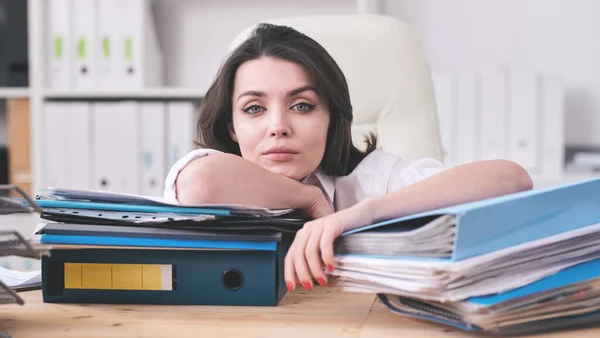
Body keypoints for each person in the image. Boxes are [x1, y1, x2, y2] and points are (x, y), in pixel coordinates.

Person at [163, 22, 533, 294]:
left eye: (302, 106)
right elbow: (200, 183)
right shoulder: (213, 174)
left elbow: (512, 180)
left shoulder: (369, 179)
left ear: (331, 119)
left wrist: (363, 213)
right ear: (231, 127)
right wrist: (308, 200)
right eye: (255, 108)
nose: (278, 126)